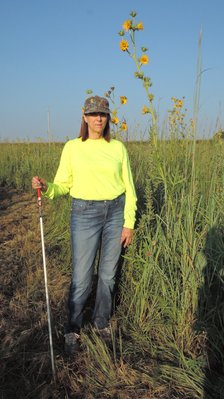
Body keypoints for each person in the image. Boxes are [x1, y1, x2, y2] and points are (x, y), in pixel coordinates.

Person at [32, 95, 137, 354]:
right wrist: (46, 188)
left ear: (108, 118)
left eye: (102, 114)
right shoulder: (72, 147)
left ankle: (101, 323)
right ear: (84, 117)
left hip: (115, 211)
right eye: (93, 114)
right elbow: (62, 185)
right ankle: (73, 328)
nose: (98, 118)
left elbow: (130, 188)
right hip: (84, 212)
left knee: (108, 274)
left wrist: (129, 222)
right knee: (81, 276)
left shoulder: (118, 148)